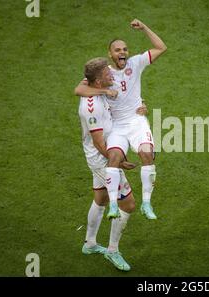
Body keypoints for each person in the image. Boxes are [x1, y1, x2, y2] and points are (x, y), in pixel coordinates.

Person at [75, 19, 167, 220]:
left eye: (125, 49)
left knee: (147, 154)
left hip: (136, 121)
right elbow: (79, 89)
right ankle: (114, 206)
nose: (122, 52)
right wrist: (105, 90)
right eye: (117, 50)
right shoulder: (104, 73)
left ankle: (146, 203)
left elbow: (161, 47)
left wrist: (144, 28)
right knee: (114, 158)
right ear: (110, 54)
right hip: (117, 125)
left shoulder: (135, 63)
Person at [78, 57, 147, 271]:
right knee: (129, 205)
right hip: (102, 160)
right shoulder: (91, 109)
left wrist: (139, 107)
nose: (112, 75)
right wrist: (118, 162)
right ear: (98, 81)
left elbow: (80, 86)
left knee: (100, 198)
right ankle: (112, 250)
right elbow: (99, 143)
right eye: (108, 74)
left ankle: (89, 244)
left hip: (100, 157)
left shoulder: (96, 88)